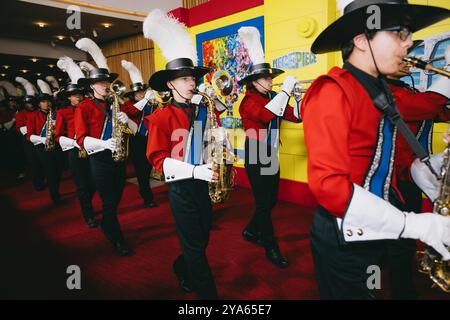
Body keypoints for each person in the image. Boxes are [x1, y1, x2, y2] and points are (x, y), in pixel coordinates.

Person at [301, 0, 450, 299]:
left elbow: (383, 160)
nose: (409, 43)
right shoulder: (332, 90)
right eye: (400, 33)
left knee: (375, 291)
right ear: (361, 40)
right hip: (345, 236)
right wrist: (413, 223)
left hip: (378, 226)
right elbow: (328, 186)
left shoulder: (379, 90)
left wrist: (430, 168)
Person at [143, 9, 227, 299]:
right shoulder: (160, 117)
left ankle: (181, 267)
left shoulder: (204, 109)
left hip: (204, 184)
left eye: (192, 77)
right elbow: (157, 160)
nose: (191, 83)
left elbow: (205, 145)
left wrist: (219, 140)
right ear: (170, 84)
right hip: (181, 188)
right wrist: (193, 170)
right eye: (183, 79)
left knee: (200, 240)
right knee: (195, 246)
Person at [385, 44, 450, 299]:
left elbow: (437, 110)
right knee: (400, 239)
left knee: (405, 237)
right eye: (400, 56)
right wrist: (446, 74)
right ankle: (402, 292)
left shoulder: (407, 90)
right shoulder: (384, 91)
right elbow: (422, 106)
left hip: (411, 173)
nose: (409, 60)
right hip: (393, 179)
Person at [237, 26, 301, 268]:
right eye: (266, 78)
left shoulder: (272, 97)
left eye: (271, 78)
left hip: (270, 152)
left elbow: (296, 117)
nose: (270, 81)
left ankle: (251, 230)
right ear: (255, 81)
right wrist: (284, 92)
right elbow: (264, 117)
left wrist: (295, 97)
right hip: (256, 152)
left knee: (270, 200)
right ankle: (270, 245)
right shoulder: (248, 101)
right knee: (264, 203)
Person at [74, 38, 138, 256]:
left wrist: (126, 119)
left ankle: (107, 225)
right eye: (101, 83)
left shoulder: (117, 102)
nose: (106, 85)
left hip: (119, 158)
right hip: (99, 159)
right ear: (92, 86)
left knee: (115, 199)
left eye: (107, 82)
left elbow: (138, 124)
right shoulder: (83, 107)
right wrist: (104, 143)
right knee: (109, 201)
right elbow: (81, 139)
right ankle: (117, 238)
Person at [56, 56, 97, 228]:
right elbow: (57, 136)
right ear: (69, 98)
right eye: (74, 95)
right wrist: (74, 143)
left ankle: (88, 203)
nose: (78, 98)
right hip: (74, 151)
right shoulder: (63, 112)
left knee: (94, 182)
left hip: (91, 148)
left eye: (79, 94)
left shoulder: (89, 107)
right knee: (81, 185)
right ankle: (88, 215)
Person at [121, 60, 156, 208]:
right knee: (141, 171)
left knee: (148, 168)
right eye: (139, 93)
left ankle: (144, 189)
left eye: (143, 92)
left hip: (150, 139)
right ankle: (147, 196)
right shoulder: (127, 105)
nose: (141, 95)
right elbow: (134, 111)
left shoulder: (149, 104)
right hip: (136, 140)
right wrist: (146, 99)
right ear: (133, 95)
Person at [27, 79, 62, 204]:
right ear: (39, 104)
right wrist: (43, 139)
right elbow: (29, 135)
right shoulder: (33, 116)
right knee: (50, 171)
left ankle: (55, 189)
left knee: (58, 171)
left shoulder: (57, 114)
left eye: (48, 101)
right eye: (43, 102)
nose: (46, 104)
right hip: (42, 147)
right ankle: (55, 195)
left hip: (57, 146)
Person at [15, 77, 45, 190]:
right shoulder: (20, 114)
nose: (30, 105)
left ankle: (44, 179)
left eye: (32, 103)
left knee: (42, 161)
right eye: (28, 103)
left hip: (40, 140)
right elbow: (21, 129)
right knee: (34, 163)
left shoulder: (38, 112)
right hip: (28, 142)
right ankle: (38, 183)